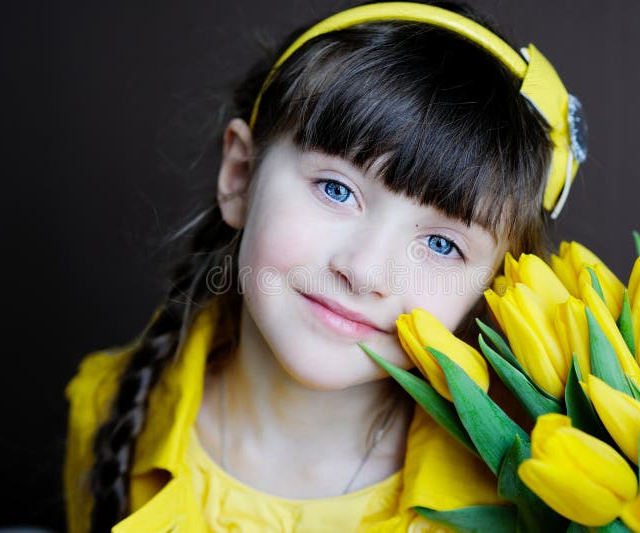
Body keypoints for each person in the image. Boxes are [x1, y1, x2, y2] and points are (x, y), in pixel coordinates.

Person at [63, 1, 587, 531]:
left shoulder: (516, 498)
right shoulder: (110, 409)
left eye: (442, 245)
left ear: (491, 283)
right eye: (337, 190)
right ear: (241, 176)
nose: (364, 272)